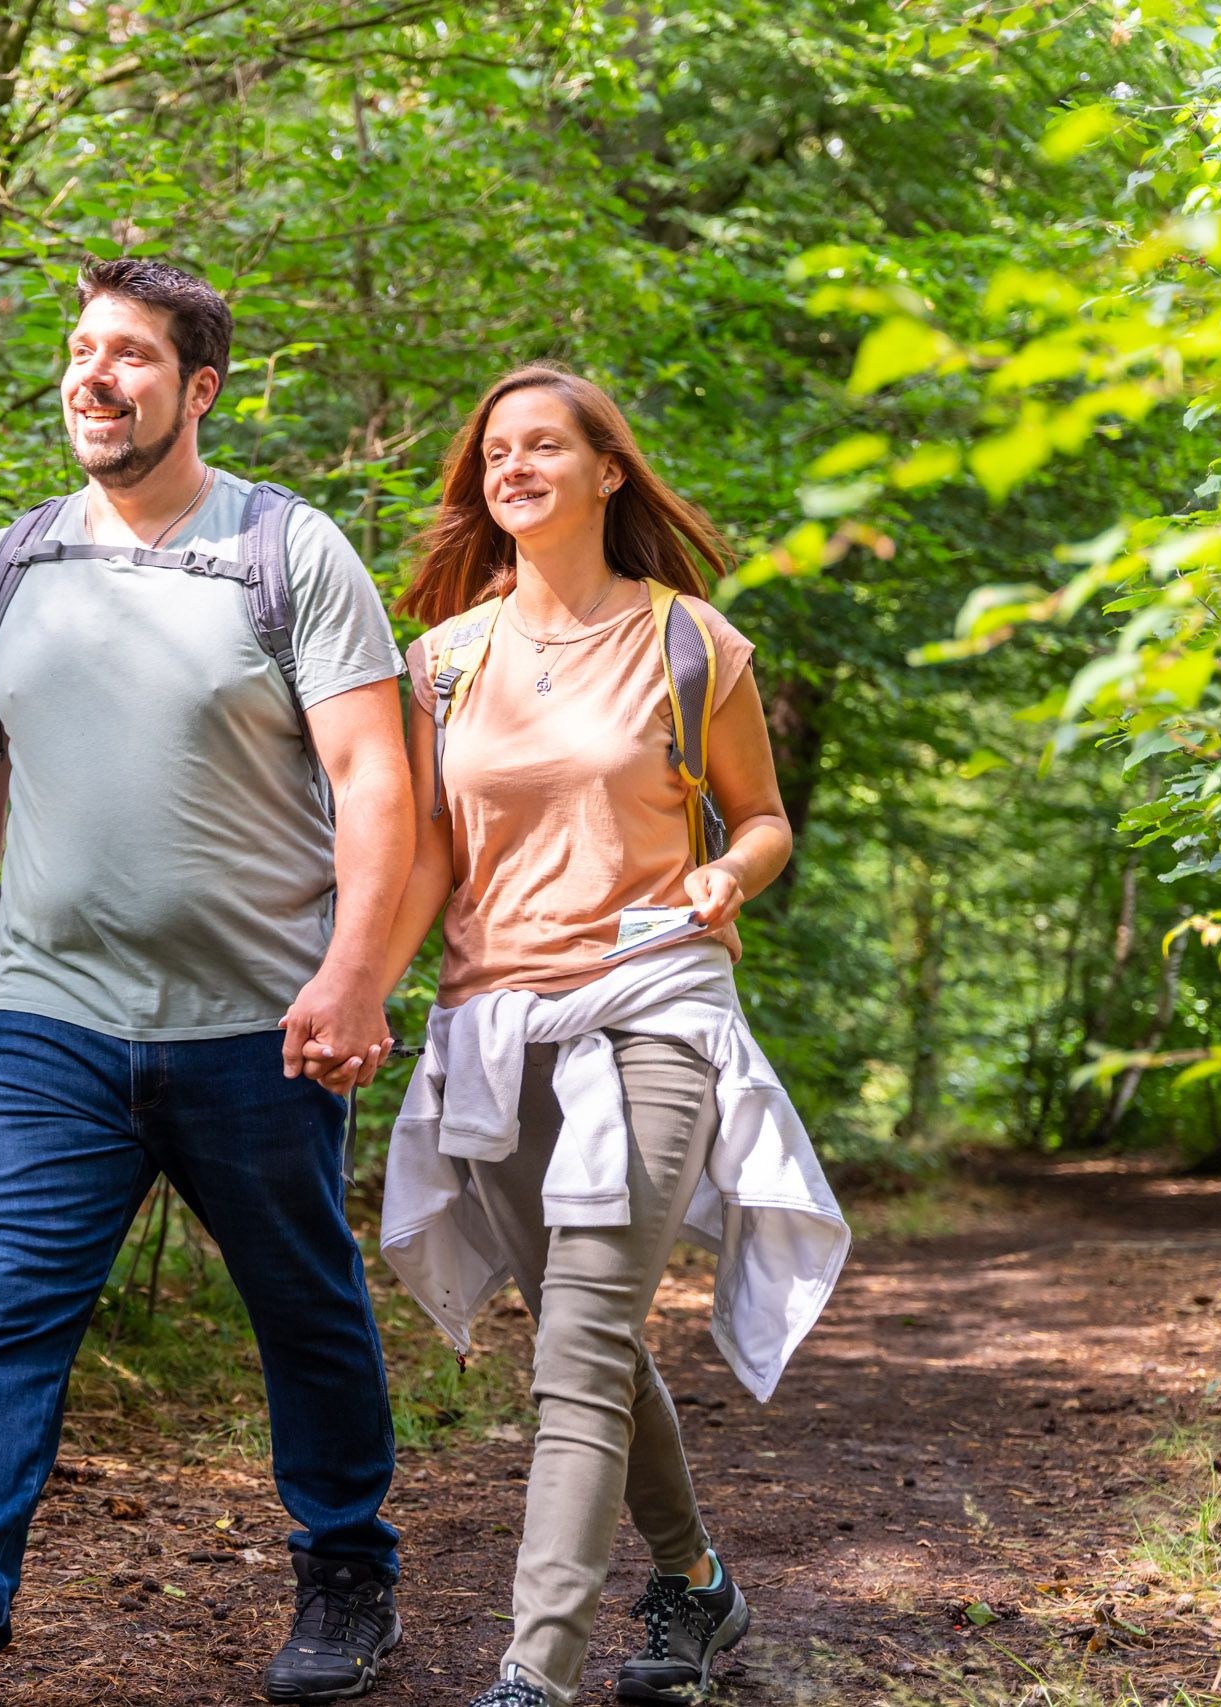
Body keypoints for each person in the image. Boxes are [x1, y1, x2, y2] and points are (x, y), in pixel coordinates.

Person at [0, 258, 414, 1707]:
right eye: (79, 349)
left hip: (259, 1024)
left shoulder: (289, 550)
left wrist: (356, 974)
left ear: (199, 388)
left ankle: (346, 1573)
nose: (92, 375)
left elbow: (375, 779)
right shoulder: (12, 565)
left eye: (129, 354)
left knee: (303, 1304)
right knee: (10, 1307)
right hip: (51, 1021)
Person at [364, 365, 850, 1707]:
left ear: (607, 471)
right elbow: (429, 858)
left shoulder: (692, 642)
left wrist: (727, 875)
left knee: (576, 1350)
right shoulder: (445, 661)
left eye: (542, 446)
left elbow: (762, 819)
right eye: (494, 454)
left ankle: (536, 1672)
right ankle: (697, 1584)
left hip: (653, 1008)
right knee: (588, 1340)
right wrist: (362, 994)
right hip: (494, 1027)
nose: (512, 468)